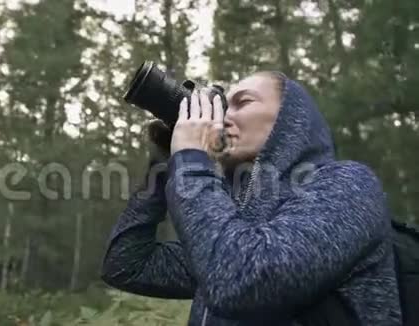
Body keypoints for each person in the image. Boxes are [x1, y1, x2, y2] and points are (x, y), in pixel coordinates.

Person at [100, 71, 402, 325]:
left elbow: (240, 283)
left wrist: (191, 159)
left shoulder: (348, 185)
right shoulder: (233, 225)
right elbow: (127, 265)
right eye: (221, 107)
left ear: (290, 119)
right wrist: (164, 166)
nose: (220, 118)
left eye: (242, 103)